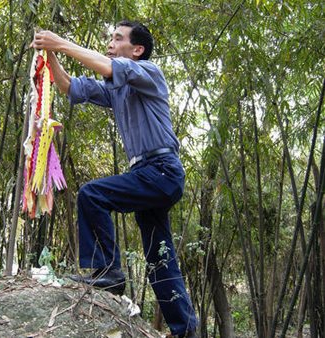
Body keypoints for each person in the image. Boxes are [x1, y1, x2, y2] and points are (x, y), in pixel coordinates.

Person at [30, 20, 198, 338]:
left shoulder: (149, 72)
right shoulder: (117, 89)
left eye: (118, 38)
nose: (111, 42)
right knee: (159, 255)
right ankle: (185, 329)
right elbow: (67, 86)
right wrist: (49, 52)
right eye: (111, 38)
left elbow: (108, 65)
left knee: (93, 195)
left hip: (162, 170)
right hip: (147, 174)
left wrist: (61, 42)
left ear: (137, 50)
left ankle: (108, 272)